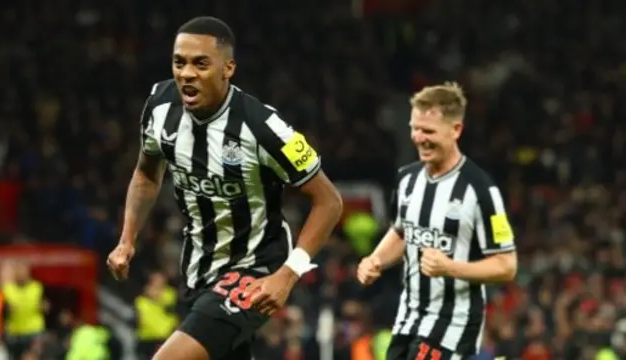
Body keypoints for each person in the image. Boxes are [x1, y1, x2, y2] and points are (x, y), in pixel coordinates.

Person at [106, 16, 343, 360]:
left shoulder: (263, 127)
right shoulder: (159, 106)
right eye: (179, 62)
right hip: (198, 275)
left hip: (255, 270)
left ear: (228, 67)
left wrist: (288, 274)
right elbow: (146, 174)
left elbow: (329, 201)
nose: (187, 73)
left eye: (201, 63)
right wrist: (127, 239)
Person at [356, 83, 517, 360]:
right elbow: (402, 231)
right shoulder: (407, 179)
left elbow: (506, 265)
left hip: (452, 328)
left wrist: (450, 267)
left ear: (455, 130)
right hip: (409, 320)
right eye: (414, 128)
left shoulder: (480, 190)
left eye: (428, 131)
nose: (419, 138)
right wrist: (376, 260)